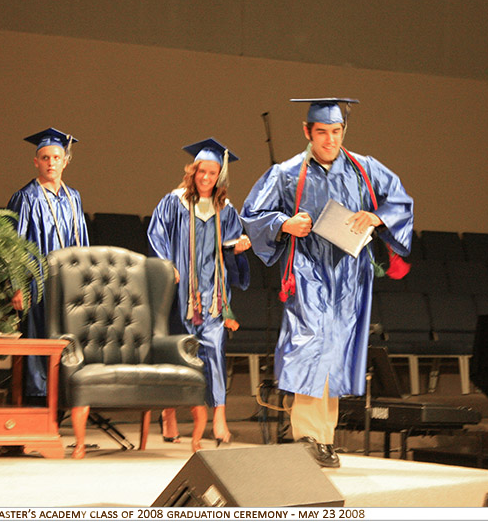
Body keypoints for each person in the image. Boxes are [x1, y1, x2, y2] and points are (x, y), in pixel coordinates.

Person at [241, 98, 414, 468]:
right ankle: (306, 435)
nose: (330, 140)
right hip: (308, 271)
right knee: (309, 347)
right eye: (322, 133)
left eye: (336, 132)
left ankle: (324, 437)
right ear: (308, 132)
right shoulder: (287, 173)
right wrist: (284, 224)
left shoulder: (364, 169)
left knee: (335, 351)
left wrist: (376, 217)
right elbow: (253, 213)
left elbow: (400, 202)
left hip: (350, 274)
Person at [147, 138, 250, 448]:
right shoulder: (173, 202)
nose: (207, 178)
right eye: (201, 171)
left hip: (214, 294)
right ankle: (168, 412)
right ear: (192, 172)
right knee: (178, 353)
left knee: (215, 351)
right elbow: (156, 235)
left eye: (213, 172)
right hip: (181, 293)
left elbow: (228, 246)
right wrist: (168, 267)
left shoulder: (225, 209)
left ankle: (219, 417)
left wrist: (238, 248)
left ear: (220, 175)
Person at [8, 127, 90, 399]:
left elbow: (83, 244)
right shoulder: (26, 197)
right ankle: (36, 403)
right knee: (37, 340)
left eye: (56, 157)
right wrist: (17, 286)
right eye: (45, 158)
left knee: (66, 341)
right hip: (37, 284)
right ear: (36, 161)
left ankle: (63, 400)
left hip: (69, 284)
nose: (51, 163)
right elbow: (15, 246)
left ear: (65, 160)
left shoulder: (73, 196)